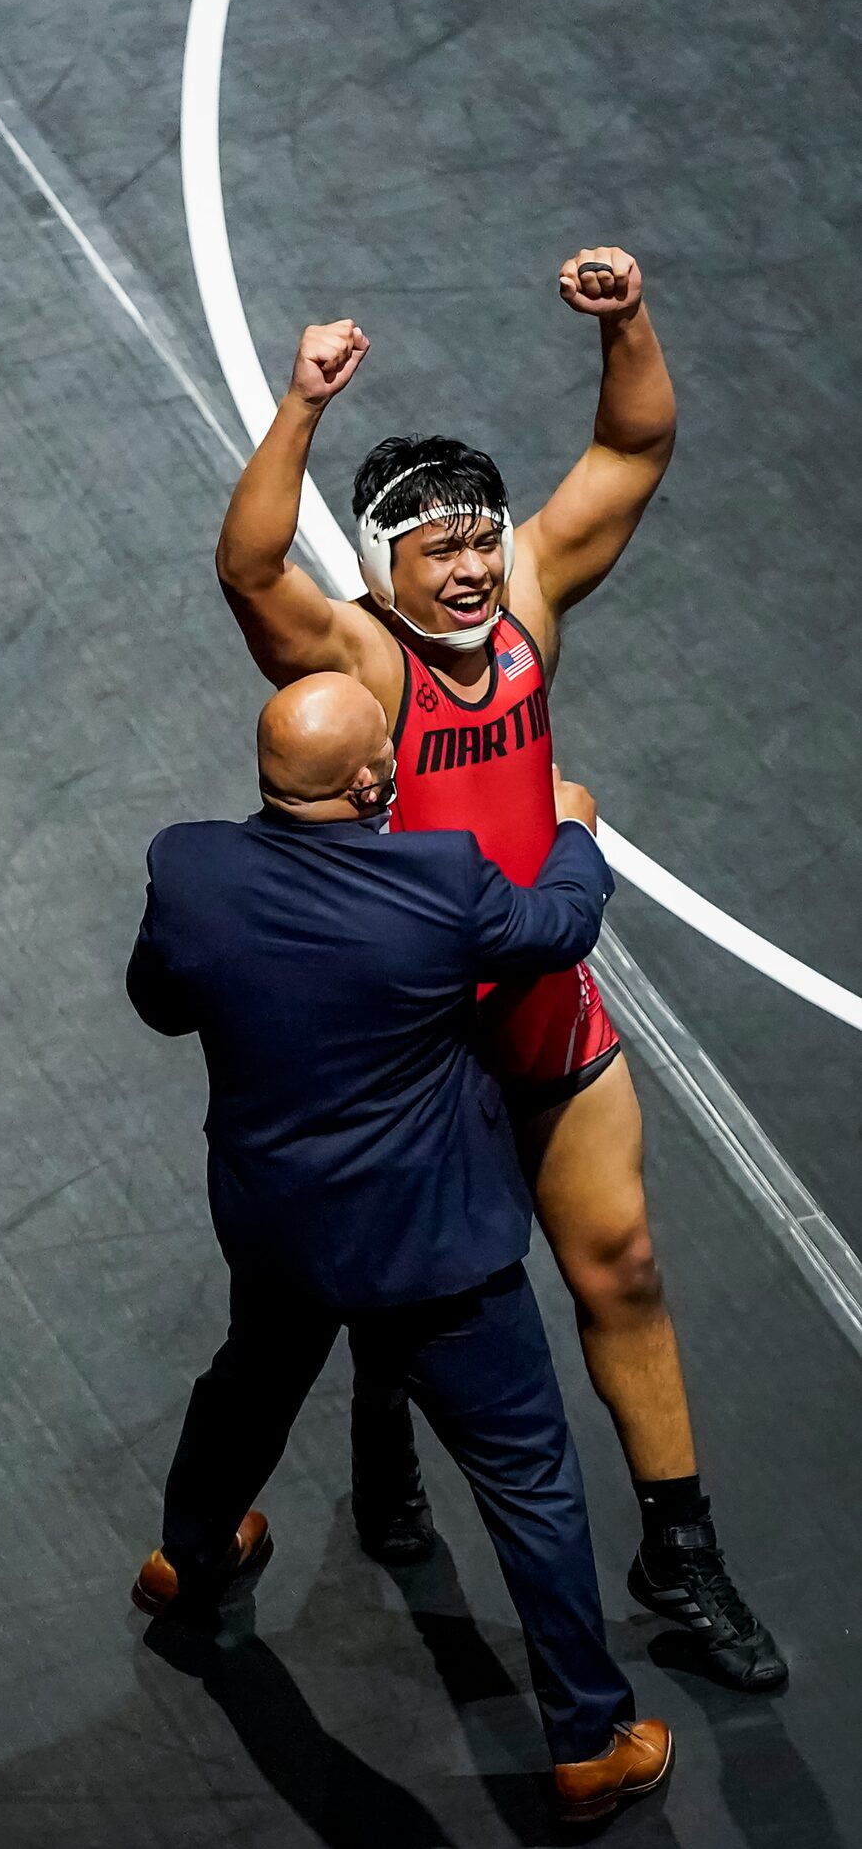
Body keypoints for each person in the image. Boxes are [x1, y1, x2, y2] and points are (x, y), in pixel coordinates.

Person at [210, 246, 784, 1692]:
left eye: (480, 541)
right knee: (417, 1292)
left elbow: (635, 440)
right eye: (437, 552)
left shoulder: (525, 599)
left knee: (623, 1263)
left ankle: (680, 1548)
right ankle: (376, 1432)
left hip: (536, 997)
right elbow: (245, 565)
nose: (468, 569)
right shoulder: (355, 655)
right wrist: (297, 408)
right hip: (416, 1035)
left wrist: (629, 319)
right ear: (381, 568)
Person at [127, 673, 670, 1824]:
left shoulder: (191, 869)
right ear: (376, 780)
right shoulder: (438, 886)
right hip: (433, 1252)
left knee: (251, 1383)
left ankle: (190, 1554)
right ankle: (588, 1738)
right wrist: (572, 831)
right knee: (528, 1480)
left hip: (281, 1227)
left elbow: (162, 1002)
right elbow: (559, 926)